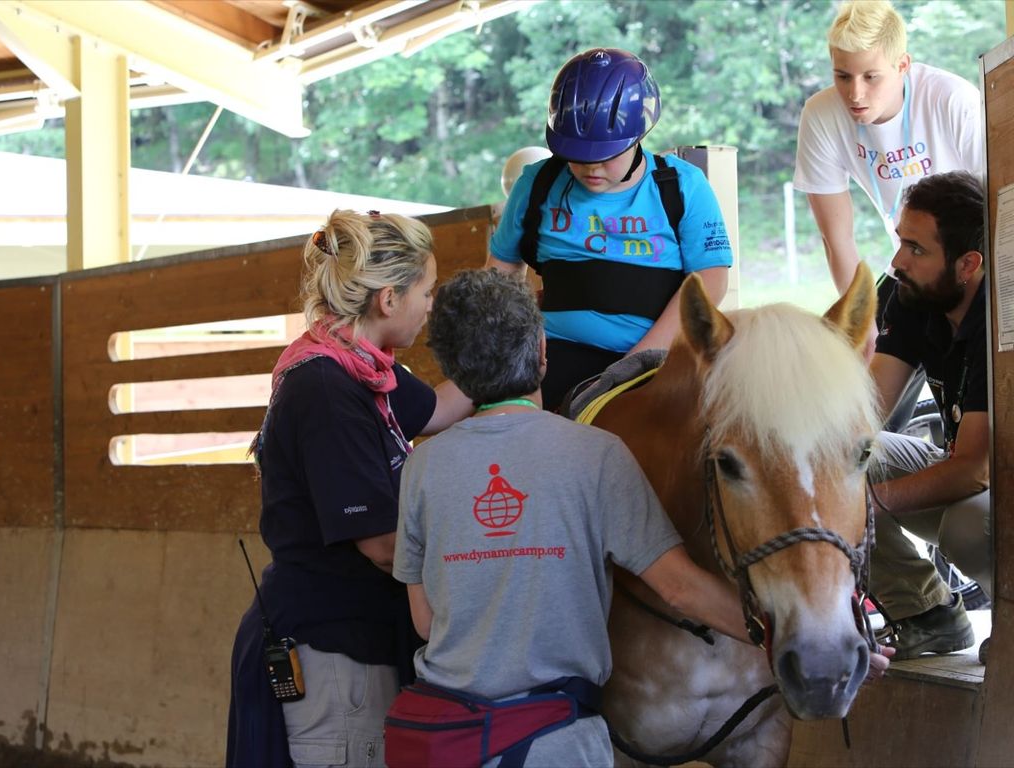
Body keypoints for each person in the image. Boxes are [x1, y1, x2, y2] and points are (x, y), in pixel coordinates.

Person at [389, 269, 891, 767]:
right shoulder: (596, 453)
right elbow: (679, 587)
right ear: (543, 351)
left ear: (451, 369)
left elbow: (425, 620)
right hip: (553, 738)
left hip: (450, 738)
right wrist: (785, 636)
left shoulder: (422, 466)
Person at [226, 210, 470, 768]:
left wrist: (508, 364)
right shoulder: (326, 388)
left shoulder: (365, 366)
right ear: (389, 299)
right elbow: (382, 546)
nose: (430, 306)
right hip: (335, 648)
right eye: (427, 292)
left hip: (357, 635)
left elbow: (439, 410)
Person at [487, 47, 733, 411]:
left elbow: (711, 279)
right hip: (552, 360)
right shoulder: (537, 183)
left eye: (606, 155)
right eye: (577, 156)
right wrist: (505, 347)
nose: (591, 168)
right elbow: (502, 269)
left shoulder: (682, 186)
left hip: (657, 360)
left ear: (637, 137)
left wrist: (637, 362)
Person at [793, 0, 983, 426]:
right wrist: (860, 322)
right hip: (908, 262)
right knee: (857, 404)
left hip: (969, 265)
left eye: (871, 76)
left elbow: (999, 209)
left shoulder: (953, 99)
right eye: (842, 76)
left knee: (970, 395)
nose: (855, 94)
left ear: (902, 65)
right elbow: (837, 238)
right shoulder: (822, 115)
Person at [868, 171, 989, 662]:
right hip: (975, 477)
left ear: (967, 265)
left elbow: (976, 469)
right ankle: (927, 614)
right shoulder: (914, 297)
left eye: (916, 249)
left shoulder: (1000, 319)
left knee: (968, 527)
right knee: (840, 460)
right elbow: (862, 412)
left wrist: (872, 503)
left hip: (989, 486)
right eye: (900, 241)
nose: (898, 261)